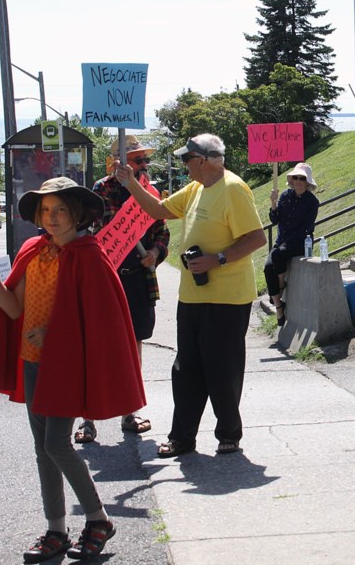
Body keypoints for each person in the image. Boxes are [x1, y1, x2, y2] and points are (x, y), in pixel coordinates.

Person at [0, 177, 144, 563]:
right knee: (42, 448)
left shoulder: (89, 255)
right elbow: (14, 310)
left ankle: (98, 518)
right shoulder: (32, 252)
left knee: (56, 443)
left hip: (67, 364)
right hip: (32, 362)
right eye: (46, 210)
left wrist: (54, 331)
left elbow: (99, 320)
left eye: (61, 209)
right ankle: (56, 529)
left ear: (77, 214)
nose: (52, 217)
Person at [114, 133, 266, 458]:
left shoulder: (233, 188)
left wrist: (218, 259)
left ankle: (228, 434)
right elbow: (157, 210)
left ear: (203, 159)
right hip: (193, 296)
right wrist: (130, 183)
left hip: (227, 298)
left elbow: (256, 238)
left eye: (187, 159)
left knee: (222, 368)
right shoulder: (196, 189)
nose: (184, 165)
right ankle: (182, 438)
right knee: (186, 369)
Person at [75, 135, 170, 444]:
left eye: (144, 160)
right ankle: (88, 418)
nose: (143, 165)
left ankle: (130, 411)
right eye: (138, 160)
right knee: (98, 346)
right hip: (107, 280)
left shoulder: (150, 191)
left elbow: (162, 230)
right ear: (118, 161)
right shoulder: (100, 191)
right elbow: (89, 231)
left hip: (138, 281)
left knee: (135, 344)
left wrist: (155, 253)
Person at [266, 162, 319, 326]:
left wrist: (288, 242)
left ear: (307, 181)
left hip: (300, 242)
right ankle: (279, 306)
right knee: (268, 267)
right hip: (282, 241)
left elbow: (307, 227)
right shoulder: (285, 195)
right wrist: (273, 203)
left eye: (301, 178)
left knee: (278, 254)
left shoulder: (312, 202)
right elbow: (275, 220)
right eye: (295, 177)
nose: (298, 181)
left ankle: (281, 286)